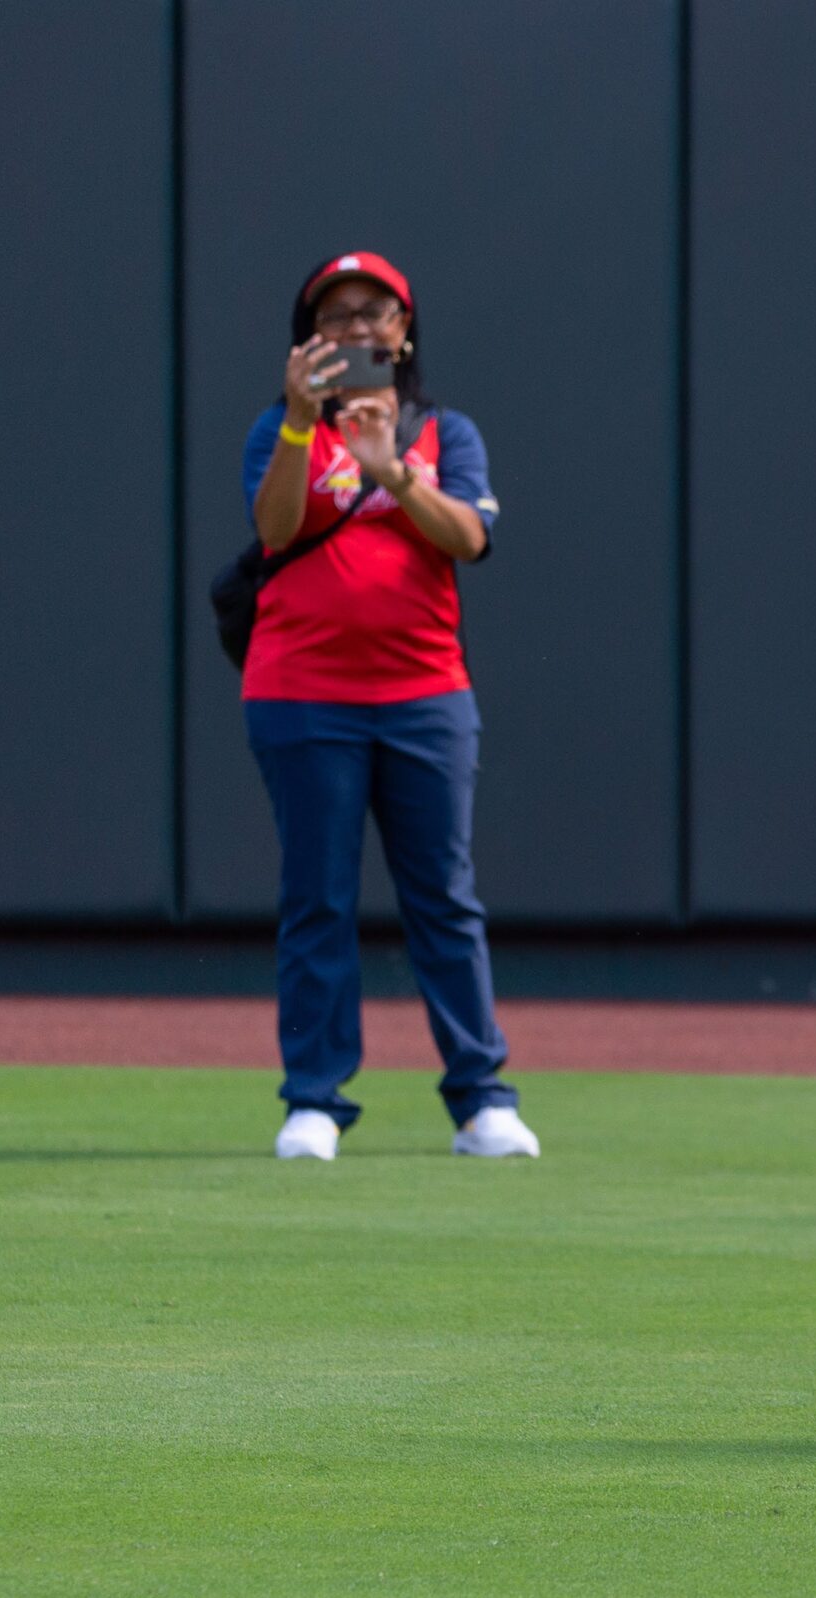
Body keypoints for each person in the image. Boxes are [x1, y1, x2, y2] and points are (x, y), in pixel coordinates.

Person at [242, 251, 537, 1162]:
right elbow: (274, 531)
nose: (358, 327)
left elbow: (472, 537)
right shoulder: (281, 429)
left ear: (403, 333)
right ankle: (315, 1100)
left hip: (425, 696)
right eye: (336, 315)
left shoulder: (444, 433)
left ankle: (481, 1098)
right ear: (310, 339)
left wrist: (396, 471)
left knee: (443, 898)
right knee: (317, 898)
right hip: (302, 695)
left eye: (376, 312)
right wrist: (302, 425)